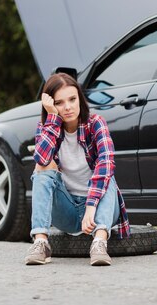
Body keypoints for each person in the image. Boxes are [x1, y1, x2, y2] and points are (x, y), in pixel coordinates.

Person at [24, 72, 130, 266]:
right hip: (68, 212)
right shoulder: (46, 127)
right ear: (52, 106)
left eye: (72, 99)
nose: (68, 107)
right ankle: (41, 242)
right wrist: (53, 120)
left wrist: (91, 205)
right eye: (59, 102)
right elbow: (41, 159)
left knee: (107, 172)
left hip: (99, 210)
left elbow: (106, 162)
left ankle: (99, 242)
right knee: (44, 165)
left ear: (79, 99)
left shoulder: (95, 123)